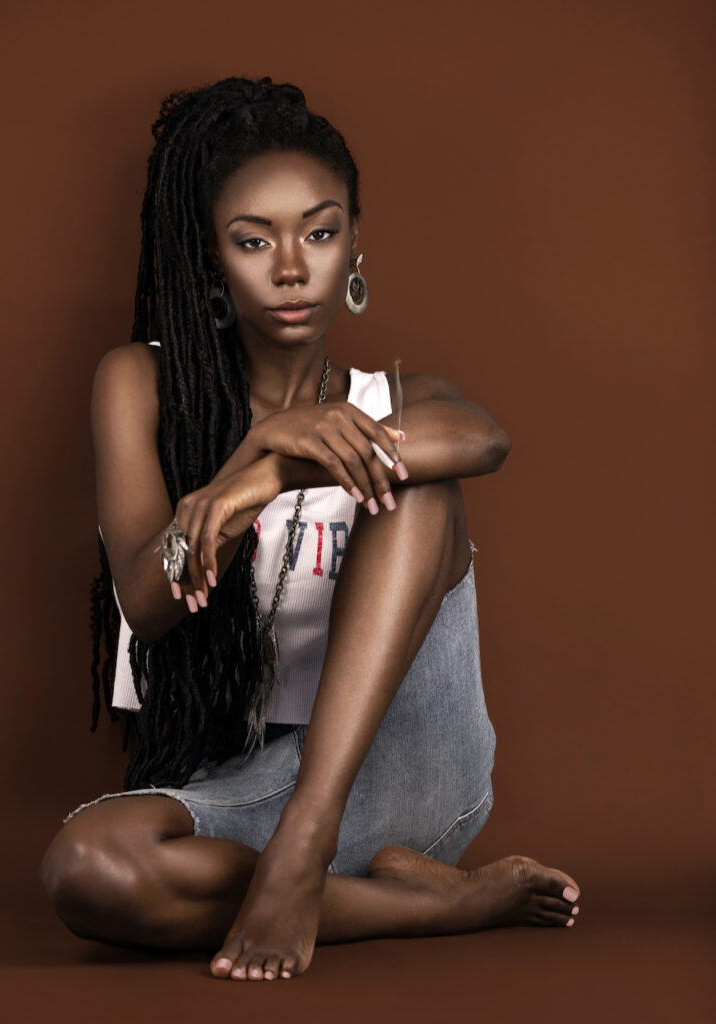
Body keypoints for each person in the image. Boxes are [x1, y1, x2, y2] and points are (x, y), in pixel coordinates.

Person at [40, 74, 582, 982]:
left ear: (355, 242)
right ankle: (438, 904)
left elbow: (483, 439)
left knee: (412, 481)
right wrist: (242, 456)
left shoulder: (393, 400)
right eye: (253, 241)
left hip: (406, 770)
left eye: (320, 233)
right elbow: (145, 595)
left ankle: (305, 850)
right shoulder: (140, 384)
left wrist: (275, 466)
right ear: (211, 255)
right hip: (245, 784)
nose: (291, 269)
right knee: (88, 869)